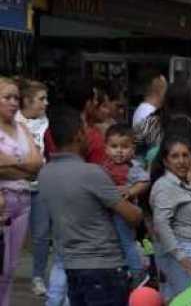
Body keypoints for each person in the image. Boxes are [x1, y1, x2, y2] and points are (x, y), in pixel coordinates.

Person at [39, 106, 142, 306]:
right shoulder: (92, 173)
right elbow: (132, 216)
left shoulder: (45, 174)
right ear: (78, 135)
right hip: (104, 267)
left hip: (72, 266)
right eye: (86, 129)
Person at [150, 134, 191, 300]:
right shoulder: (164, 186)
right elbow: (160, 224)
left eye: (185, 155)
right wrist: (181, 257)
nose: (181, 160)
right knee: (189, 302)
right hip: (185, 254)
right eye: (175, 156)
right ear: (166, 161)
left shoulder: (186, 185)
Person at [0, 77, 44, 305]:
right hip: (2, 202)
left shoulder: (21, 127)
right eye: (7, 97)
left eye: (16, 97)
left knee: (10, 266)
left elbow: (37, 164)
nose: (13, 102)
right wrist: (25, 167)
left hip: (24, 200)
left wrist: (13, 166)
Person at [101, 124, 150, 285]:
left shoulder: (133, 167)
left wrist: (131, 191)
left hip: (124, 212)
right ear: (106, 148)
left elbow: (144, 181)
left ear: (133, 149)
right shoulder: (104, 166)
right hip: (106, 211)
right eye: (114, 146)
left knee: (126, 241)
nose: (119, 151)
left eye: (124, 147)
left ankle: (137, 272)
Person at [15, 78, 51, 297]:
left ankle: (38, 276)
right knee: (10, 233)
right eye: (41, 99)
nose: (46, 103)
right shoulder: (12, 122)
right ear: (27, 101)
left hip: (41, 186)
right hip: (16, 186)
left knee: (42, 234)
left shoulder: (47, 124)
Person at [136, 80, 191, 162]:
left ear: (166, 100)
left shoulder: (148, 123)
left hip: (154, 167)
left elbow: (137, 150)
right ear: (190, 101)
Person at [63, 78, 106, 164]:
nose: (97, 103)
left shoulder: (53, 129)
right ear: (88, 103)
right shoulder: (93, 136)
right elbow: (97, 170)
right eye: (95, 100)